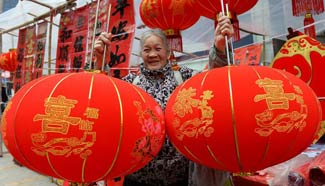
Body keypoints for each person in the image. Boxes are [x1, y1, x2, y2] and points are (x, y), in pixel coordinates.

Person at [94, 13, 234, 186]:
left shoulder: (185, 79)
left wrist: (219, 48)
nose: (152, 54)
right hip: (137, 179)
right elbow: (106, 97)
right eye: (147, 50)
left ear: (168, 52)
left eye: (158, 49)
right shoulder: (130, 84)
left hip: (180, 179)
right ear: (141, 55)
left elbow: (212, 82)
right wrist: (100, 63)